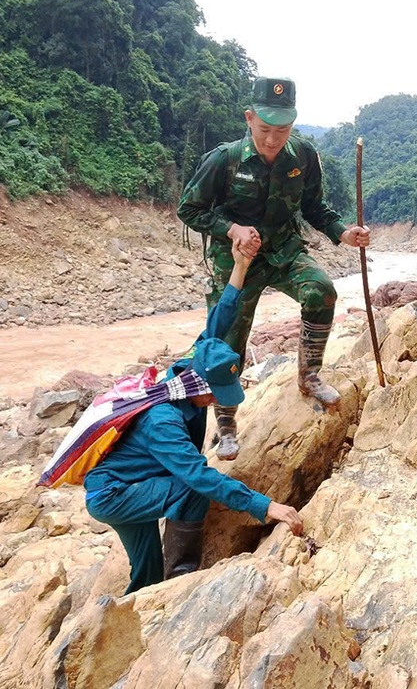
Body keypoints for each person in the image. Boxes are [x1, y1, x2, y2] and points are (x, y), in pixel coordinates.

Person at [83, 239, 304, 595]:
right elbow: (198, 477)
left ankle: (141, 601)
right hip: (114, 494)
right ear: (200, 386)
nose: (219, 400)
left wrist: (240, 266)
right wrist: (264, 506)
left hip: (124, 483)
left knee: (146, 570)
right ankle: (180, 582)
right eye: (217, 393)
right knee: (190, 490)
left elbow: (219, 320)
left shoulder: (190, 367)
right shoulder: (164, 420)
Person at [178, 76, 371, 460]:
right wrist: (231, 229)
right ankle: (227, 424)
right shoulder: (225, 159)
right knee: (226, 340)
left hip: (283, 249)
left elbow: (316, 208)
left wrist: (345, 234)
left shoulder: (302, 156)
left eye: (281, 130)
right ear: (249, 118)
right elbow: (189, 209)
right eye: (265, 129)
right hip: (237, 260)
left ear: (293, 124)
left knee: (321, 290)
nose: (272, 139)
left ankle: (309, 375)